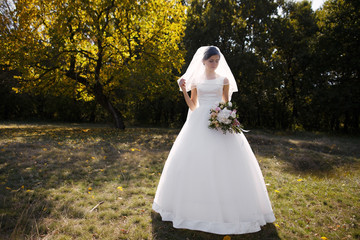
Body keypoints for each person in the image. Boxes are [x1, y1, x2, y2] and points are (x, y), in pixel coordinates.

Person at [152, 46, 275, 235]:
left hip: (218, 121)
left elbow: (226, 102)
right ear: (203, 61)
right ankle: (193, 205)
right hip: (199, 121)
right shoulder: (196, 80)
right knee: (195, 160)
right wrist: (184, 90)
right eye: (211, 60)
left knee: (224, 162)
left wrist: (225, 116)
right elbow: (193, 106)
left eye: (217, 60)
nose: (215, 63)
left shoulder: (224, 80)